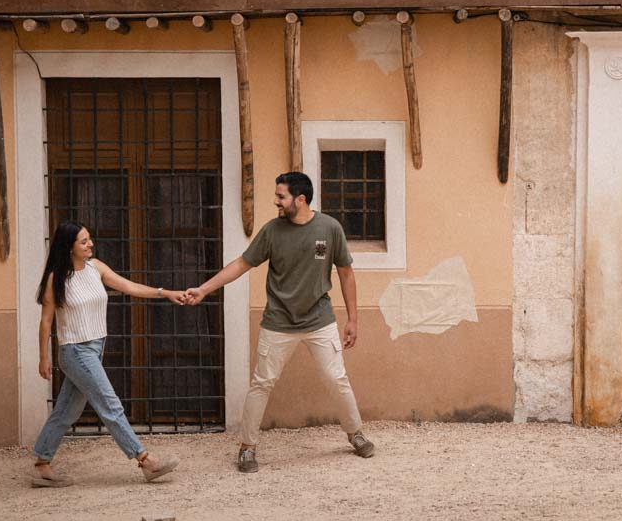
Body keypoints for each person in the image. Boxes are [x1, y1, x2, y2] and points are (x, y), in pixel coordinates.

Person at [183, 171, 375, 473]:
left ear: (300, 199)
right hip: (278, 322)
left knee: (337, 379)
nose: (276, 201)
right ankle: (247, 448)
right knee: (262, 383)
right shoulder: (272, 231)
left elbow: (346, 273)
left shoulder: (330, 228)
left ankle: (356, 433)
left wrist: (353, 319)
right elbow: (241, 264)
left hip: (319, 320)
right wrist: (205, 290)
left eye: (281, 196)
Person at [30, 220, 183, 487]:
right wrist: (44, 358)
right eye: (84, 241)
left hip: (95, 348)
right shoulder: (56, 278)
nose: (91, 244)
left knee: (66, 411)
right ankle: (145, 461)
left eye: (89, 239)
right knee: (110, 404)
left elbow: (129, 287)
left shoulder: (95, 268)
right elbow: (46, 321)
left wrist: (165, 293)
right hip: (75, 350)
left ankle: (42, 464)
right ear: (69, 247)